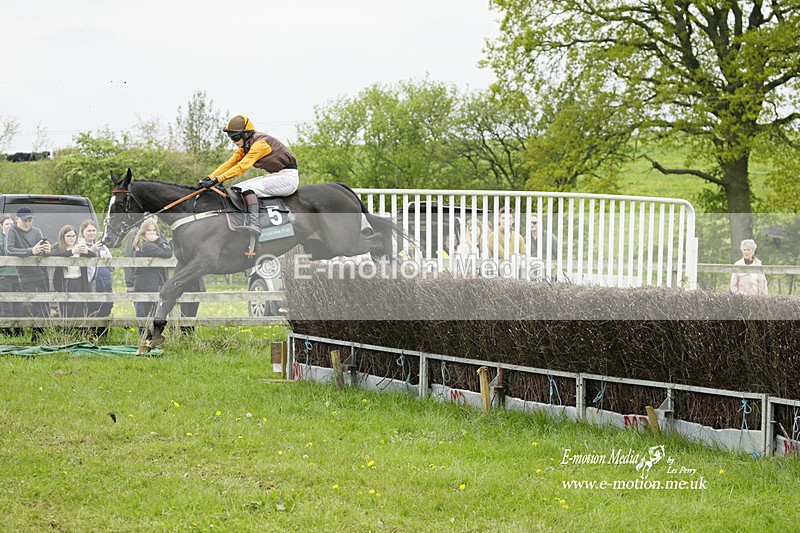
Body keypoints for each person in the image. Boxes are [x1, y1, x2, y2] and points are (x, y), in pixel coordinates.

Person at [197, 114, 299, 235]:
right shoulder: (246, 145)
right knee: (236, 189)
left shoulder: (261, 144)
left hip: (287, 178)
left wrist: (218, 179)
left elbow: (242, 166)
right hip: (277, 175)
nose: (233, 142)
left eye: (235, 138)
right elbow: (230, 163)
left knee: (248, 188)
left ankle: (254, 224)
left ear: (246, 134)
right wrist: (210, 177)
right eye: (231, 138)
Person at [4, 206, 51, 340]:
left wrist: (47, 251)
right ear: (16, 219)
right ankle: (27, 336)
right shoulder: (12, 231)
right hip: (24, 275)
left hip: (42, 274)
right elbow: (10, 250)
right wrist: (31, 251)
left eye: (30, 220)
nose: (27, 223)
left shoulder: (37, 231)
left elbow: (42, 252)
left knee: (43, 307)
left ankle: (39, 336)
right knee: (29, 306)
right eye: (25, 220)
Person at [131, 219, 173, 329]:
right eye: (149, 230)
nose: (152, 233)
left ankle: (148, 340)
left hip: (150, 285)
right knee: (146, 318)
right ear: (143, 232)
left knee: (149, 318)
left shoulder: (148, 244)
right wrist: (159, 240)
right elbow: (168, 252)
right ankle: (145, 341)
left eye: (155, 230)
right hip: (147, 286)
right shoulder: (145, 245)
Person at [51, 224, 95, 319]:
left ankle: (79, 332)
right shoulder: (57, 247)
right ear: (63, 237)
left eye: (73, 236)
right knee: (66, 311)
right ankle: (67, 332)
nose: (71, 238)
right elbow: (53, 255)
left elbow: (95, 256)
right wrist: (71, 252)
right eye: (68, 236)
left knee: (79, 311)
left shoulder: (80, 247)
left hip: (79, 282)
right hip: (64, 282)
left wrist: (87, 252)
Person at [80, 219, 114, 334]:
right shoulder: (81, 246)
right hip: (92, 281)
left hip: (105, 280)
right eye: (89, 230)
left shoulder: (103, 247)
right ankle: (90, 334)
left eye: (94, 230)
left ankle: (103, 335)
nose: (91, 233)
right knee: (93, 307)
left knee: (106, 306)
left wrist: (107, 260)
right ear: (83, 232)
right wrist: (91, 251)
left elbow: (112, 266)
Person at [0, 214, 23, 336]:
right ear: (1, 226)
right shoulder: (0, 238)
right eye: (6, 224)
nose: (9, 226)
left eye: (11, 224)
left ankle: (19, 329)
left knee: (19, 303)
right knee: (6, 303)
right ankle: (6, 330)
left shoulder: (17, 237)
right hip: (4, 275)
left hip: (19, 274)